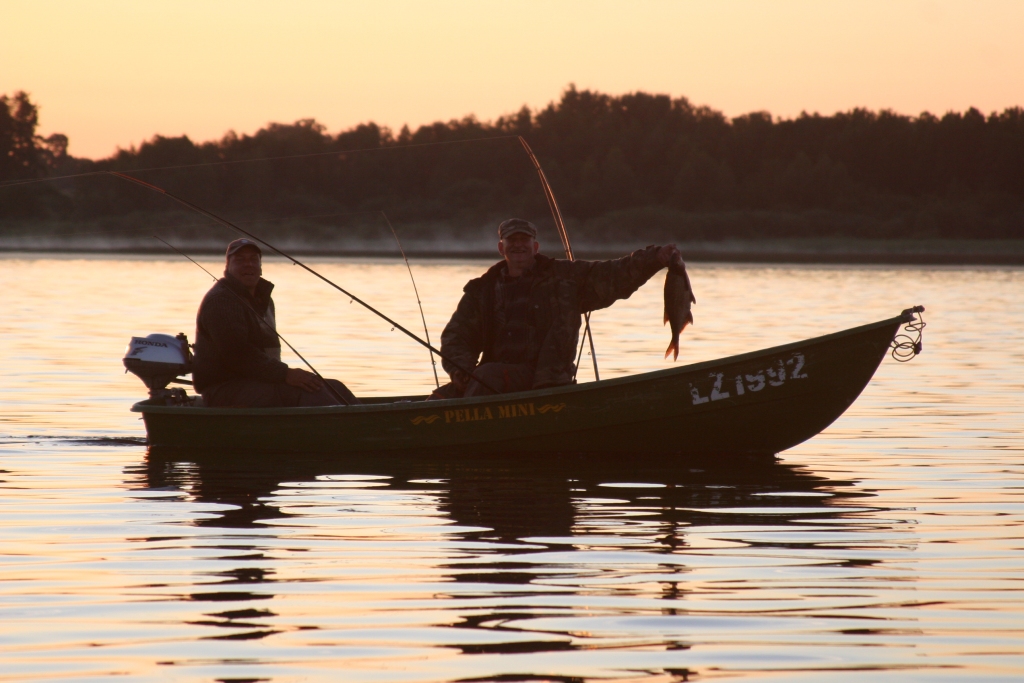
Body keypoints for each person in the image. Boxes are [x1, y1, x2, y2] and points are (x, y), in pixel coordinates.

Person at [432, 218, 681, 398]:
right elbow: (456, 336)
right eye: (512, 241)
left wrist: (655, 257)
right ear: (501, 247)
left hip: (546, 379)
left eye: (524, 241)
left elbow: (614, 274)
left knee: (487, 376)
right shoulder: (482, 290)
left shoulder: (565, 278)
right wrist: (461, 371)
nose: (518, 246)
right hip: (493, 379)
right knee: (442, 398)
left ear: (535, 247)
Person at [192, 238, 359, 407]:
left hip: (257, 383)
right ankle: (346, 427)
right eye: (240, 260)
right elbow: (238, 354)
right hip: (224, 390)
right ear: (228, 267)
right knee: (307, 390)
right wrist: (285, 374)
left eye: (253, 259)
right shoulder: (223, 300)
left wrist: (285, 376)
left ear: (261, 267)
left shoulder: (261, 299)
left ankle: (361, 421)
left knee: (334, 387)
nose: (248, 264)